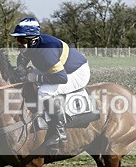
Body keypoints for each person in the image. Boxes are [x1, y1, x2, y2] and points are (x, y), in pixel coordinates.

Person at [10, 17, 90, 149]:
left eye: (21, 40)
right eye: (17, 39)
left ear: (33, 39)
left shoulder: (46, 52)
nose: (18, 43)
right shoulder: (31, 46)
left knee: (44, 91)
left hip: (75, 73)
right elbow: (22, 56)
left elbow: (61, 78)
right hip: (56, 69)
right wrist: (21, 67)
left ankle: (59, 133)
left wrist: (35, 78)